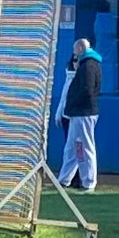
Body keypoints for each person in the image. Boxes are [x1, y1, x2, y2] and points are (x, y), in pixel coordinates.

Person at [57, 38, 102, 193]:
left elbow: (87, 90)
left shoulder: (89, 65)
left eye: (75, 50)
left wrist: (73, 103)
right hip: (78, 112)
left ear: (80, 49)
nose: (74, 53)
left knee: (86, 147)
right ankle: (64, 180)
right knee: (72, 147)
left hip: (84, 112)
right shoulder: (85, 64)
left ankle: (89, 182)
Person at [54, 52, 81, 189]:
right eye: (74, 60)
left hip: (77, 116)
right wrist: (59, 113)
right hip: (67, 116)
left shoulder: (83, 77)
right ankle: (71, 177)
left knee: (79, 147)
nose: (76, 62)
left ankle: (80, 177)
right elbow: (64, 96)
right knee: (69, 148)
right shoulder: (69, 77)